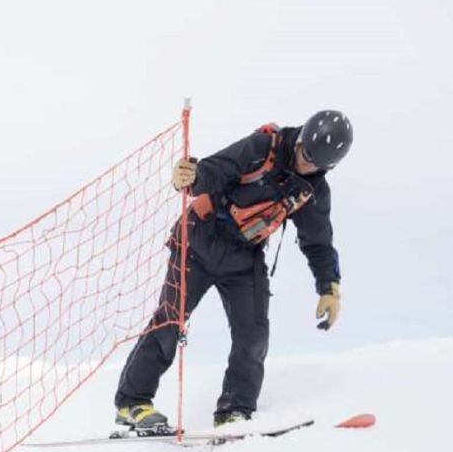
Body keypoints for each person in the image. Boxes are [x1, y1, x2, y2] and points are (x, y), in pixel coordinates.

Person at [114, 110, 352, 434]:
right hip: (198, 241)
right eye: (305, 154)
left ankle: (233, 412)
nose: (307, 164)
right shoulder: (263, 147)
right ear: (300, 141)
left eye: (317, 164)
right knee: (171, 319)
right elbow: (218, 168)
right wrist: (191, 178)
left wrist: (329, 287)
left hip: (244, 258)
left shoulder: (313, 191)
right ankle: (133, 403)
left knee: (253, 335)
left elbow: (318, 243)